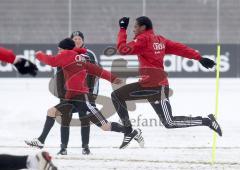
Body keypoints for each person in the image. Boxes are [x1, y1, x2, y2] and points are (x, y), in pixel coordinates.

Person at [111, 16, 222, 149]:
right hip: (147, 85)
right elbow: (180, 48)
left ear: (143, 27)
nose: (133, 30)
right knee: (117, 95)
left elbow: (122, 49)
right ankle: (129, 132)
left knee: (169, 122)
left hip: (157, 88)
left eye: (135, 27)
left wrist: (122, 29)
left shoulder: (143, 39)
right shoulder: (160, 40)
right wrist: (199, 58)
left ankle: (207, 121)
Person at [25, 38, 143, 150]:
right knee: (51, 112)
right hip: (71, 99)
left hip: (82, 99)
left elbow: (52, 61)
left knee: (105, 126)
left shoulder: (66, 55)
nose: (58, 52)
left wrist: (38, 54)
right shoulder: (80, 58)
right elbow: (96, 70)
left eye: (59, 49)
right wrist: (113, 78)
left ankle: (131, 132)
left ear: (64, 49)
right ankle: (41, 141)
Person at [58, 31, 99, 155]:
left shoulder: (90, 55)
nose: (77, 41)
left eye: (79, 38)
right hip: (68, 95)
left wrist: (92, 95)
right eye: (74, 39)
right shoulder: (63, 54)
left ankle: (85, 147)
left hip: (84, 94)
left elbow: (96, 75)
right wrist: (61, 95)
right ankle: (63, 147)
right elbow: (58, 77)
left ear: (83, 41)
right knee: (65, 119)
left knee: (84, 119)